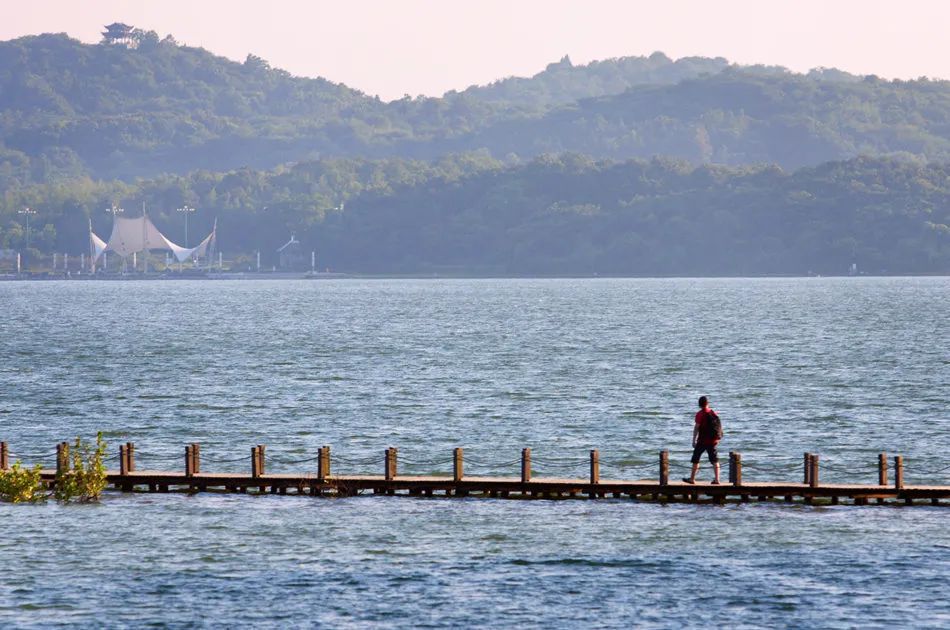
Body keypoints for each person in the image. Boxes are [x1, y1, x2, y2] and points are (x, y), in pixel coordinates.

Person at [683, 395, 721, 484]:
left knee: (696, 459)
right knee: (715, 460)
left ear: (699, 404)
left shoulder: (700, 414)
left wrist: (693, 440)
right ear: (708, 403)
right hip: (713, 441)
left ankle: (692, 479)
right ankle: (717, 479)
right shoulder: (713, 413)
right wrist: (717, 438)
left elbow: (696, 428)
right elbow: (718, 427)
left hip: (702, 441)